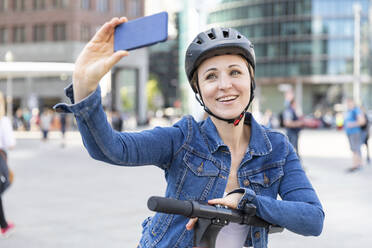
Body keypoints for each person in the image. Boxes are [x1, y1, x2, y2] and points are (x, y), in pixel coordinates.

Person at [54, 17, 324, 248]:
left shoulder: (276, 147)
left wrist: (246, 201)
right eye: (211, 76)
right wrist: (84, 87)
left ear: (251, 81)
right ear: (198, 92)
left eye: (235, 72)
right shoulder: (183, 137)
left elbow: (313, 219)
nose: (225, 85)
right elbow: (112, 148)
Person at [0, 91, 16, 238]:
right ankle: (3, 225)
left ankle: (4, 224)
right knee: (7, 181)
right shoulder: (3, 120)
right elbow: (10, 144)